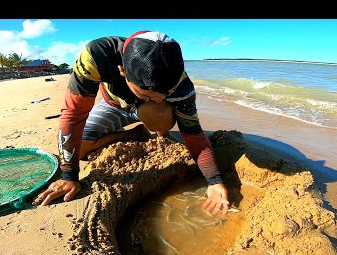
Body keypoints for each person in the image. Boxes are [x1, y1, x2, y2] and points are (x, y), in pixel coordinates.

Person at [33, 30, 230, 214]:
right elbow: (73, 115)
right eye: (147, 93)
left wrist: (214, 180)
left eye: (166, 93)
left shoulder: (181, 85)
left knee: (157, 108)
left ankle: (160, 132)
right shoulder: (97, 55)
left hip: (152, 113)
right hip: (114, 105)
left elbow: (193, 133)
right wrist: (69, 176)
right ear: (122, 71)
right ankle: (135, 134)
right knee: (81, 149)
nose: (161, 98)